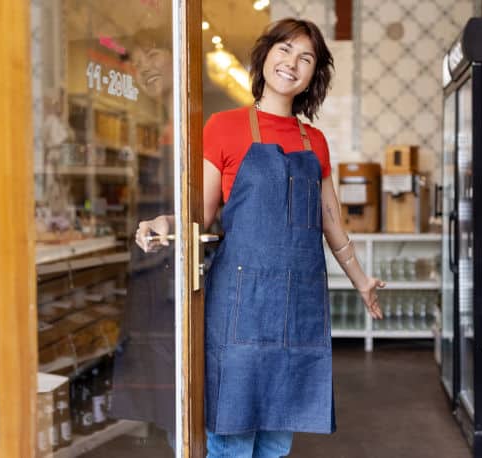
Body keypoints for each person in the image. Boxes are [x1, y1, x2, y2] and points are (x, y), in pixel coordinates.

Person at [134, 18, 385, 458]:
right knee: (229, 431)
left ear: (314, 75)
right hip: (240, 305)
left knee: (276, 436)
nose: (292, 63)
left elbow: (331, 221)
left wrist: (361, 279)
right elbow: (202, 212)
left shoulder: (315, 141)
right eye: (285, 50)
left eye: (305, 57)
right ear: (265, 55)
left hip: (298, 304)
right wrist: (166, 223)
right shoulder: (224, 126)